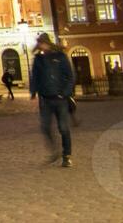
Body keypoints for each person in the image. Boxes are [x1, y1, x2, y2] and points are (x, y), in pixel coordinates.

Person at [29, 32, 75, 167]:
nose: (41, 46)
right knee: (45, 127)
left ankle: (67, 155)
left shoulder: (60, 56)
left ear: (48, 43)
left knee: (64, 128)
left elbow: (70, 76)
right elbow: (35, 76)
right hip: (45, 99)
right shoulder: (38, 59)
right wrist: (34, 91)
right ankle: (55, 151)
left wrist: (65, 93)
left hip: (60, 99)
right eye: (39, 43)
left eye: (42, 43)